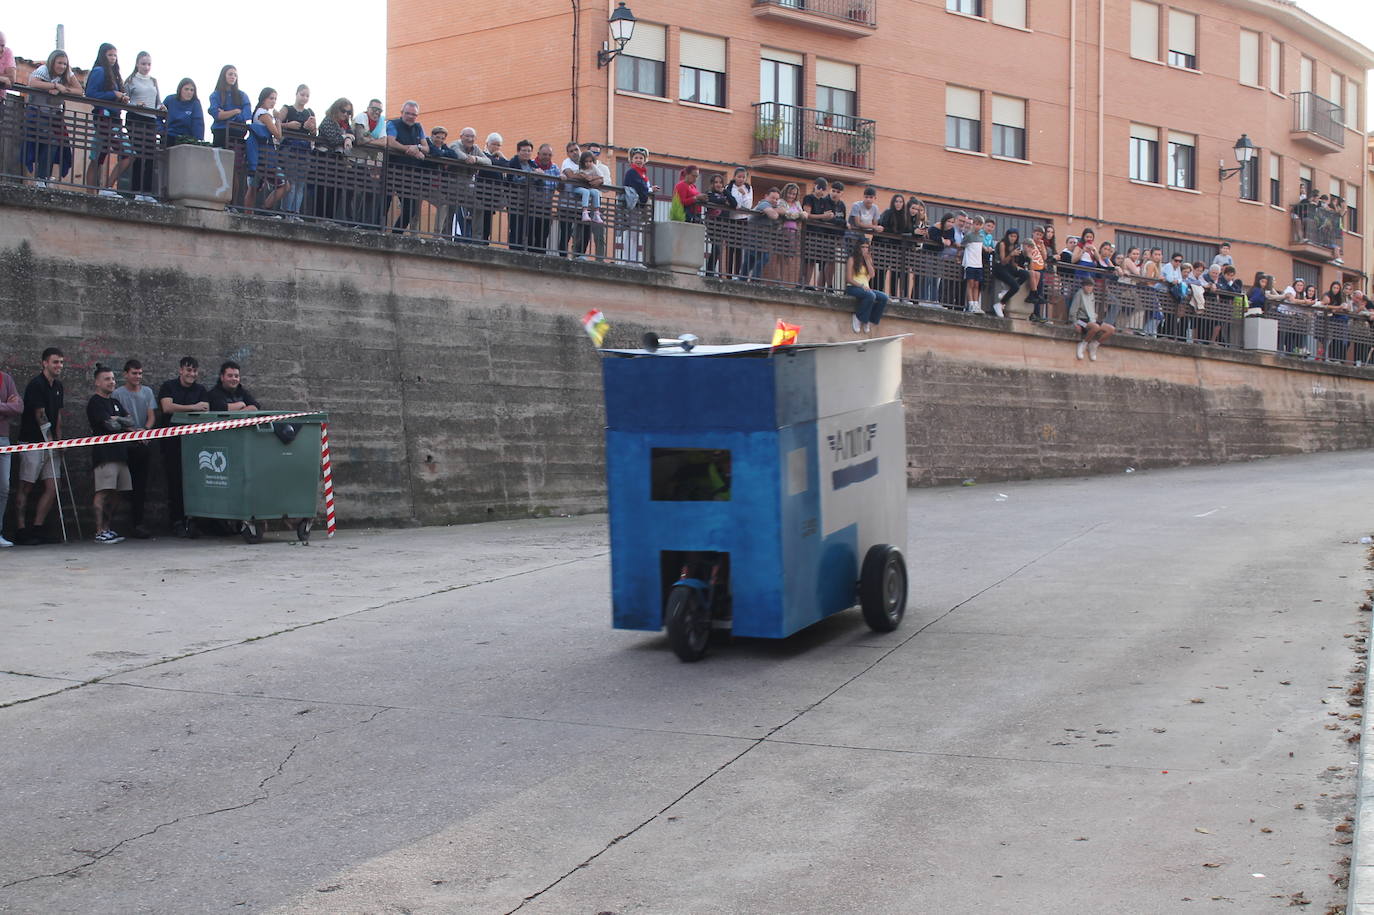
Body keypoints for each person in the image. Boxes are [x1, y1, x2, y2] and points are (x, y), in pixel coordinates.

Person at [13, 348, 65, 546]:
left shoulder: (58, 386)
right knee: (26, 485)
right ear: (44, 363)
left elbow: (57, 415)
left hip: (51, 444)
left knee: (53, 487)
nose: (59, 366)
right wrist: (50, 440)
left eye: (61, 362)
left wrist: (59, 441)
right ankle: (20, 530)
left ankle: (37, 527)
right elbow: (40, 415)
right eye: (55, 362)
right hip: (32, 442)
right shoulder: (36, 385)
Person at [157, 357, 209, 538]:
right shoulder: (168, 386)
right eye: (188, 370)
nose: (192, 374)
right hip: (172, 444)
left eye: (194, 371)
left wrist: (192, 409)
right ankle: (177, 522)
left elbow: (206, 408)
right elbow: (167, 407)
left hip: (195, 446)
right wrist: (193, 407)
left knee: (196, 483)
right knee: (175, 484)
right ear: (180, 370)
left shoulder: (200, 389)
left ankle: (195, 522)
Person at [87, 365, 135, 544]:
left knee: (118, 493)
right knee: (103, 492)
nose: (111, 382)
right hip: (105, 455)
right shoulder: (95, 402)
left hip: (120, 454)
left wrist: (118, 419)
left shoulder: (115, 402)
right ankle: (99, 531)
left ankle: (107, 528)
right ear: (97, 382)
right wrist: (118, 421)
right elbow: (111, 426)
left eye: (113, 379)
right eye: (107, 379)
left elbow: (130, 420)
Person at [24, 50, 83, 188]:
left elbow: (79, 91)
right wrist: (54, 85)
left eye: (64, 63)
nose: (62, 66)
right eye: (59, 63)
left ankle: (44, 178)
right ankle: (41, 178)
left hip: (54, 116)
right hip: (38, 113)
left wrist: (63, 90)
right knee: (46, 142)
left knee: (55, 143)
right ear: (52, 62)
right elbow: (33, 82)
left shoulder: (68, 74)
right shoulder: (43, 69)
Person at [112, 359, 157, 538]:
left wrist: (145, 432)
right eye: (134, 373)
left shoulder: (147, 392)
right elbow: (118, 419)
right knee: (121, 487)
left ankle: (138, 523)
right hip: (126, 444)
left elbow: (151, 415)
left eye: (140, 373)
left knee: (141, 485)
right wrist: (133, 433)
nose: (137, 376)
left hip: (143, 444)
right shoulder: (117, 394)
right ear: (125, 374)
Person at [86, 43, 135, 198]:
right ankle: (102, 189)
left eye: (115, 55)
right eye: (110, 55)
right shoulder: (100, 71)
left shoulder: (114, 74)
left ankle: (100, 190)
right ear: (103, 55)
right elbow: (91, 94)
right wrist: (114, 94)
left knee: (98, 156)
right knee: (125, 153)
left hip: (113, 119)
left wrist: (121, 98)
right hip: (104, 118)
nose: (113, 58)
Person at [122, 51, 163, 203]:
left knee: (150, 154)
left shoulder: (153, 81)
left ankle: (146, 191)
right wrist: (135, 104)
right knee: (138, 154)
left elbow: (157, 100)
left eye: (149, 64)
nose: (146, 67)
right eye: (143, 64)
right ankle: (136, 190)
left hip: (150, 119)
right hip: (135, 118)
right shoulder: (130, 80)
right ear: (137, 64)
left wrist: (161, 107)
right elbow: (124, 101)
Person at [244, 87, 289, 213]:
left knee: (253, 187)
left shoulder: (257, 113)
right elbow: (278, 135)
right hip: (265, 157)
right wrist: (278, 119)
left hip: (256, 155)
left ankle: (248, 214)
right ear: (264, 98)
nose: (273, 101)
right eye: (271, 98)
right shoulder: (264, 114)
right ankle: (264, 209)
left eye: (275, 99)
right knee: (284, 185)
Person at [278, 85, 316, 220]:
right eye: (302, 94)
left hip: (304, 150)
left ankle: (295, 213)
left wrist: (310, 128)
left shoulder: (309, 112)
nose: (305, 98)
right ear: (296, 94)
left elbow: (314, 132)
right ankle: (286, 212)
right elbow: (275, 123)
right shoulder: (287, 109)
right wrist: (289, 125)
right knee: (291, 182)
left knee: (300, 184)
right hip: (289, 148)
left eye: (307, 95)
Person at [846, 240, 888, 333]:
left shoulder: (868, 260)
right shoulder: (852, 259)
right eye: (863, 247)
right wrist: (861, 286)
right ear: (858, 248)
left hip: (866, 288)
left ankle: (869, 320)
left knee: (884, 297)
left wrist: (867, 260)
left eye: (866, 247)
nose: (865, 249)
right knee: (871, 296)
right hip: (853, 287)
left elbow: (872, 275)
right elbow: (848, 279)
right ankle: (858, 317)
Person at [0, 365, 22, 547]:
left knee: (4, 486)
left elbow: (17, 407)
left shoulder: (5, 379)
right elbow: (11, 407)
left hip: (3, 439)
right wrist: (6, 408)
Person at [208, 65, 250, 150]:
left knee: (236, 161)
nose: (233, 77)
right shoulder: (215, 95)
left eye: (235, 75)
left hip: (238, 133)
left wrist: (226, 115)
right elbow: (217, 115)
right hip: (220, 132)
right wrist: (235, 111)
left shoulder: (242, 95)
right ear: (224, 76)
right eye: (230, 74)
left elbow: (247, 114)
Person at [745, 186, 782, 281]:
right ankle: (752, 279)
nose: (774, 200)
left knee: (751, 262)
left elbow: (778, 224)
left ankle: (749, 279)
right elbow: (773, 215)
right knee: (757, 259)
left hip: (762, 240)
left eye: (777, 199)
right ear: (766, 196)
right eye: (772, 198)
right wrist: (779, 211)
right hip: (752, 238)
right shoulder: (763, 203)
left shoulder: (772, 207)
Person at [1069, 277, 1111, 361]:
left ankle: (1094, 345)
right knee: (1095, 327)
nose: (1089, 288)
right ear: (1083, 286)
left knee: (1111, 329)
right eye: (1087, 286)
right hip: (1081, 321)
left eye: (1091, 286)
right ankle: (1083, 344)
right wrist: (1075, 323)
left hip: (1091, 320)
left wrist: (1094, 316)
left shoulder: (1092, 294)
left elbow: (1091, 309)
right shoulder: (1079, 294)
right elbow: (1073, 311)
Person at [992, 229, 1028, 315]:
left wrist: (1017, 267)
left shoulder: (1015, 246)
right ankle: (1001, 303)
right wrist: (1011, 254)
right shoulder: (1002, 244)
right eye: (1011, 236)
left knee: (1025, 274)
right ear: (1007, 236)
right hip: (999, 268)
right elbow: (1003, 261)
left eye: (1015, 236)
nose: (1013, 238)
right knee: (1015, 286)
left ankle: (1007, 291)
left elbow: (1012, 263)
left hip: (1009, 267)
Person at [163, 78, 205, 145]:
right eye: (186, 89)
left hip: (186, 139)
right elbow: (158, 116)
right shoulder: (169, 99)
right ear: (180, 89)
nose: (189, 92)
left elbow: (198, 123)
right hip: (169, 135)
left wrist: (198, 141)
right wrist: (161, 130)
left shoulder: (195, 103)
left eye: (192, 90)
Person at [962, 222, 985, 314]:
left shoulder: (981, 236)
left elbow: (980, 246)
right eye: (976, 224)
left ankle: (976, 303)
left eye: (980, 224)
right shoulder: (969, 235)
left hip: (978, 263)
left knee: (976, 284)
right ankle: (971, 303)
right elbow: (962, 244)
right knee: (970, 283)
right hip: (970, 263)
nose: (977, 226)